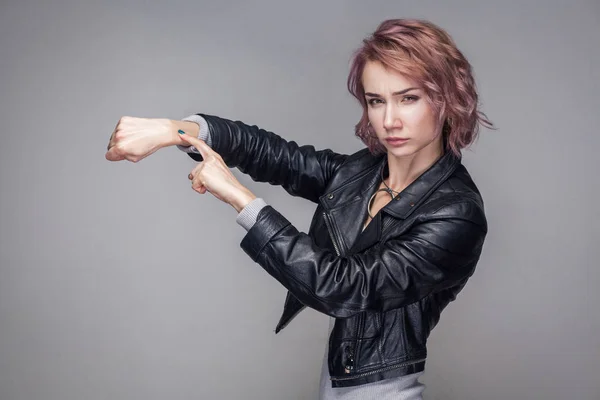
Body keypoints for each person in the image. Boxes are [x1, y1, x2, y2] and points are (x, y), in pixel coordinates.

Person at [105, 18, 493, 400]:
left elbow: (343, 287)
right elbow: (275, 155)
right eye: (376, 101)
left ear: (446, 99)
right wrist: (172, 130)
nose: (389, 120)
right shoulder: (362, 173)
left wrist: (240, 198)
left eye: (409, 98)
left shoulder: (456, 213)